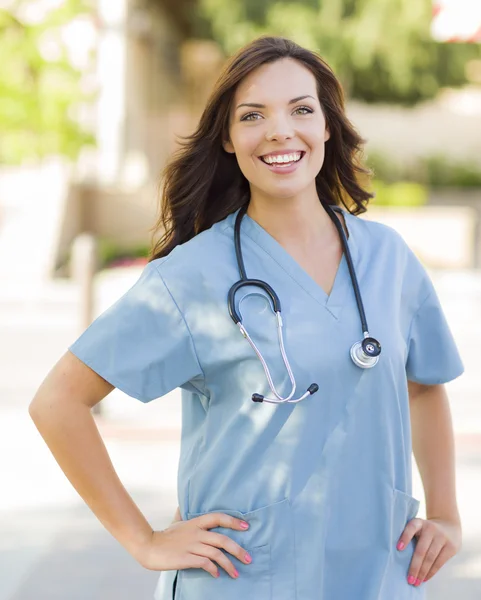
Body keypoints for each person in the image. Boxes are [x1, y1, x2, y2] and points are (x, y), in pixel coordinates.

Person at [29, 36, 464, 600]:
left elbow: (423, 385)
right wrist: (144, 540)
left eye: (301, 110)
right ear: (229, 140)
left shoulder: (388, 258)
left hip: (377, 576)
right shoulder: (192, 275)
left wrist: (448, 514)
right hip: (244, 581)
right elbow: (58, 402)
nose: (281, 130)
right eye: (253, 115)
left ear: (328, 127)